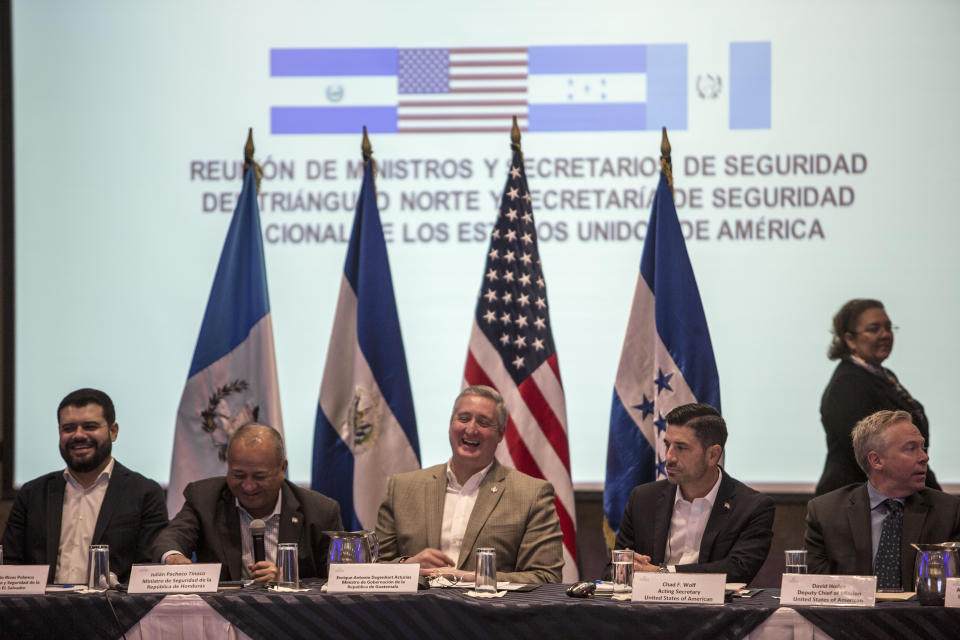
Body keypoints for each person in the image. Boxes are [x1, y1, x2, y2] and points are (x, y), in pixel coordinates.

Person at [375, 385, 563, 583]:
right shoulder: (402, 488)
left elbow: (546, 577)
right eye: (463, 419)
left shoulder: (532, 494)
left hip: (489, 612)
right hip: (414, 611)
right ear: (450, 424)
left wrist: (472, 578)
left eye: (483, 423)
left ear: (500, 434)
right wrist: (409, 567)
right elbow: (371, 568)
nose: (471, 429)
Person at [0, 388, 168, 584]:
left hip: (115, 612)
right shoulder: (32, 494)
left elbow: (148, 573)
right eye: (68, 428)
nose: (78, 435)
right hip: (40, 612)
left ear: (113, 431)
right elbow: (10, 565)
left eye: (90, 426)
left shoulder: (144, 493)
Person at [153, 423, 342, 582]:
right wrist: (173, 557)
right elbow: (171, 537)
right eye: (238, 475)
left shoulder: (320, 511)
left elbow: (336, 581)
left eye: (259, 476)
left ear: (282, 468)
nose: (248, 486)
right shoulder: (205, 499)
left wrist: (287, 580)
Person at [614, 403, 774, 584]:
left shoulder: (751, 507)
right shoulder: (643, 499)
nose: (669, 457)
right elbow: (612, 568)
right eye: (667, 445)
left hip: (716, 611)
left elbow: (738, 570)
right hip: (648, 609)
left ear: (712, 455)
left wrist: (662, 572)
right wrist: (627, 568)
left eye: (681, 448)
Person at [805, 410, 960, 590]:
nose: (924, 457)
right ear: (876, 460)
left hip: (921, 617)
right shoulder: (826, 512)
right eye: (911, 449)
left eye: (922, 447)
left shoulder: (948, 512)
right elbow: (815, 586)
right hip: (849, 617)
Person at [817, 298, 939, 495]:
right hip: (858, 504)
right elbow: (864, 452)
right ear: (850, 339)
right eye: (874, 329)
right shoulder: (847, 383)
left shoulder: (884, 376)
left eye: (889, 327)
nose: (885, 335)